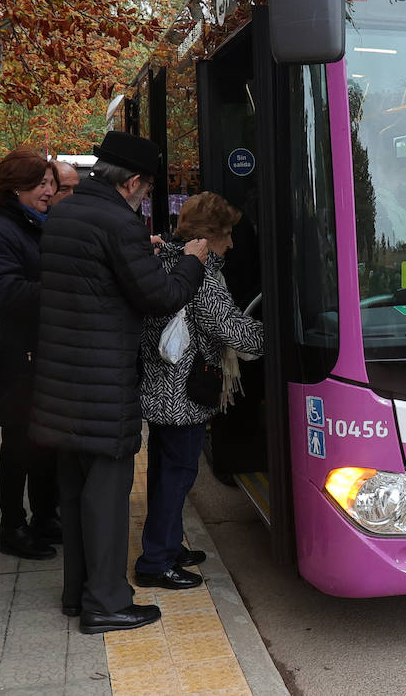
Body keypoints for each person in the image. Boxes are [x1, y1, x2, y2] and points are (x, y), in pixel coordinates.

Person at [30, 132, 208, 635]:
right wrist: (193, 259)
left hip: (61, 379)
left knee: (75, 490)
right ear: (131, 181)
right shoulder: (119, 221)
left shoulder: (66, 213)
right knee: (106, 498)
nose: (146, 196)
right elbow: (159, 295)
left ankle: (77, 595)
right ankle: (107, 604)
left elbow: (97, 277)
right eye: (147, 188)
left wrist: (137, 251)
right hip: (103, 383)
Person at [136, 193, 264, 590]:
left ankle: (169, 547)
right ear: (209, 237)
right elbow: (233, 331)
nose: (232, 244)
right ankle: (156, 561)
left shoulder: (164, 260)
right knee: (175, 477)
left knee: (163, 473)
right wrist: (271, 330)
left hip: (159, 389)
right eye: (227, 235)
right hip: (182, 397)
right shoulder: (202, 277)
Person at [0, 147, 60, 561]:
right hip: (15, 356)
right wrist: (64, 288)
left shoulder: (33, 224)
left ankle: (45, 517)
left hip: (38, 352)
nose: (49, 190)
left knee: (43, 442)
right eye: (40, 183)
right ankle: (12, 526)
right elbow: (3, 292)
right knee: (20, 444)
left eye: (50, 182)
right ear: (15, 187)